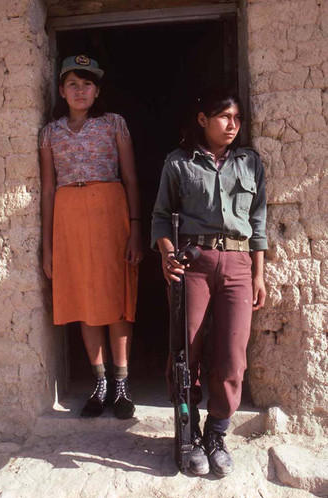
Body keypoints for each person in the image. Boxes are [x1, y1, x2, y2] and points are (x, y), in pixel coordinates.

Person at [151, 88, 267, 476]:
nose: (232, 125)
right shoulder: (179, 163)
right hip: (193, 263)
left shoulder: (250, 164)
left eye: (237, 119)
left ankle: (217, 432)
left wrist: (258, 273)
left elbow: (258, 225)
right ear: (203, 120)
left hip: (237, 264)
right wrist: (168, 255)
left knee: (233, 355)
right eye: (223, 117)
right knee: (187, 350)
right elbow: (162, 217)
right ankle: (188, 433)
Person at [39, 55, 143, 420]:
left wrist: (135, 229)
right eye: (72, 84)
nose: (79, 90)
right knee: (84, 297)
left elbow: (130, 178)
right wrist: (48, 246)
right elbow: (49, 189)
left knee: (116, 296)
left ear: (98, 91)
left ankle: (121, 383)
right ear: (62, 91)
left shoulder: (115, 124)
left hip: (110, 212)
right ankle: (99, 383)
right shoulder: (50, 132)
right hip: (68, 214)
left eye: (87, 84)